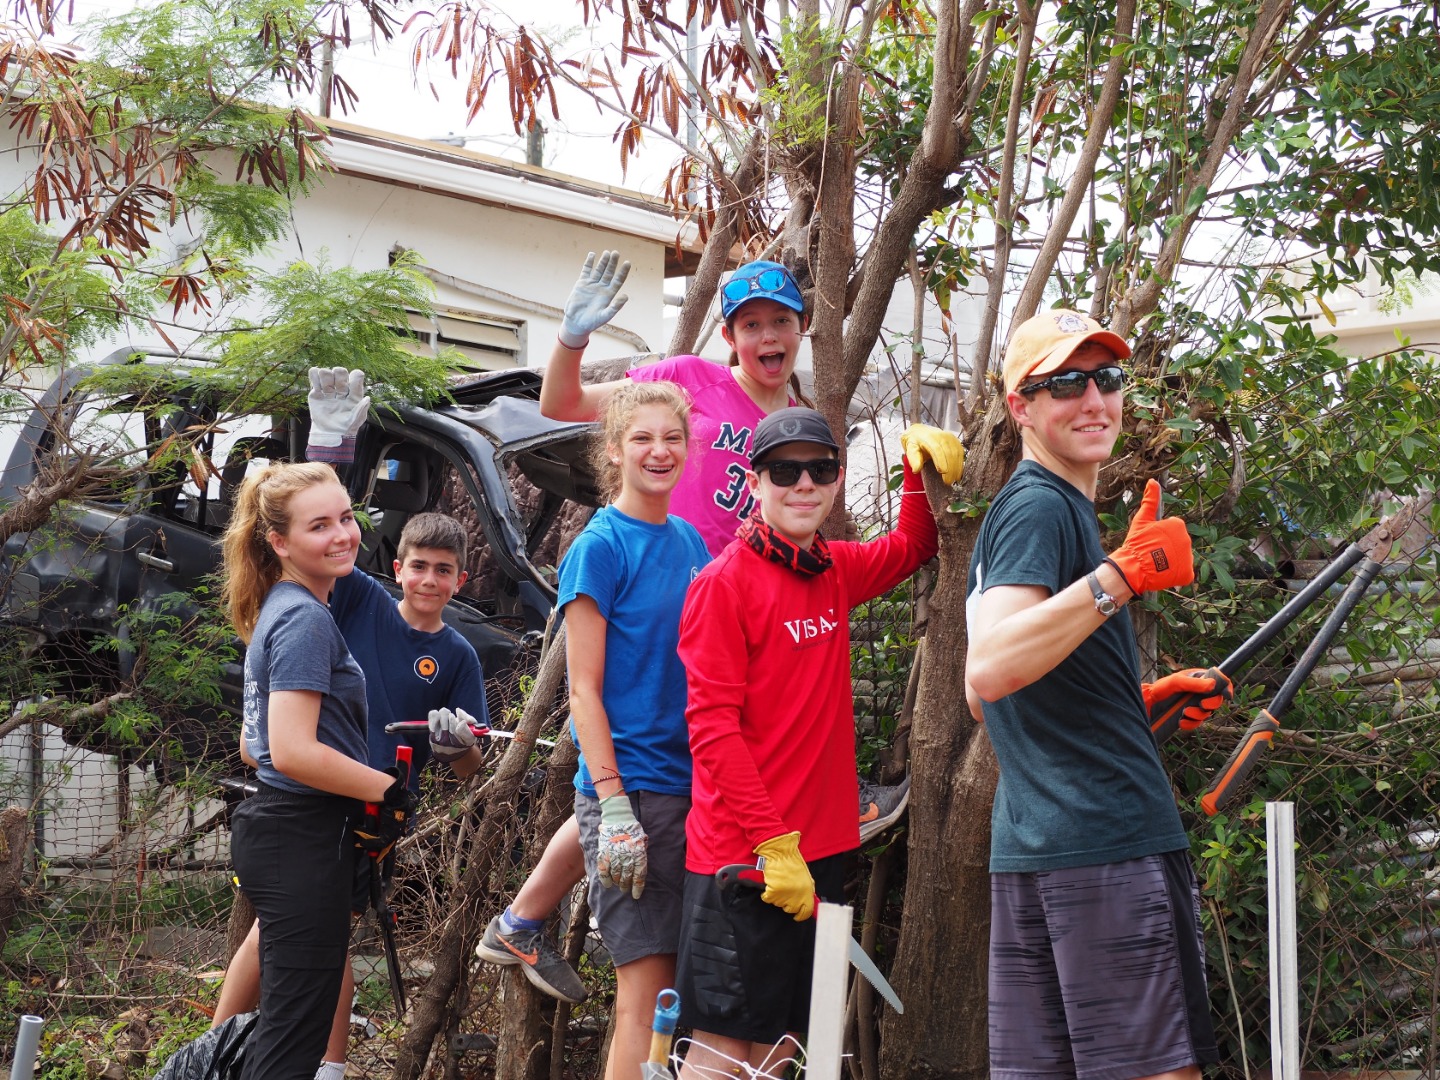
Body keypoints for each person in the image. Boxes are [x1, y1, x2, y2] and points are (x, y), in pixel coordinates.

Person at [477, 254, 913, 1001]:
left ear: (803, 327)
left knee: (699, 759)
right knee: (645, 763)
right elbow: (562, 402)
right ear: (729, 335)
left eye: (781, 321)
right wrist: (572, 337)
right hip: (670, 599)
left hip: (747, 607)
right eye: (750, 324)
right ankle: (525, 915)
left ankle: (525, 918)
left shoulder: (796, 420)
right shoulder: (689, 382)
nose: (767, 336)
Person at [963, 309, 1229, 1080]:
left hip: (1039, 847)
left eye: (1106, 378)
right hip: (1106, 842)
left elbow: (991, 698)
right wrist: (1122, 575)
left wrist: (1131, 703)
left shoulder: (1027, 509)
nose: (1093, 400)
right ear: (1020, 406)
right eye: (1065, 384)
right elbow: (988, 671)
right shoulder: (1041, 506)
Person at [213, 369, 490, 1079]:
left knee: (317, 971)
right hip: (313, 814)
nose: (429, 580)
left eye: (445, 570)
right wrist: (331, 447)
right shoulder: (334, 608)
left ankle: (316, 1067)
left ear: (461, 580)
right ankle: (216, 1056)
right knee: (288, 1016)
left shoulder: (455, 653)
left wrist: (457, 749)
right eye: (418, 566)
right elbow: (283, 746)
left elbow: (471, 763)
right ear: (398, 568)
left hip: (345, 824)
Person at [672, 407, 962, 1075]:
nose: (803, 484)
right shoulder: (722, 586)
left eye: (820, 469)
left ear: (835, 480)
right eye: (783, 471)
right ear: (754, 482)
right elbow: (711, 729)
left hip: (825, 849)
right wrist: (771, 842)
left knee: (787, 1045)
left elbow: (913, 546)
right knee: (722, 1050)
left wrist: (914, 469)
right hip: (743, 859)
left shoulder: (832, 569)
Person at [220, 460, 416, 1080]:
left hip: (287, 834)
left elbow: (253, 746)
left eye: (346, 518)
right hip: (302, 837)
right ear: (279, 542)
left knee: (286, 1033)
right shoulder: (303, 619)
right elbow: (290, 751)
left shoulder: (283, 607)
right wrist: (389, 792)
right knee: (290, 1048)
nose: (342, 535)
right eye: (319, 526)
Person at [558, 380, 710, 1080]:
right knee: (644, 1001)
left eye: (672, 438)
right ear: (614, 451)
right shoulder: (600, 547)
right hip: (632, 798)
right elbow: (582, 691)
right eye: (642, 438)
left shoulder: (691, 541)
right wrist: (613, 806)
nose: (659, 451)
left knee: (678, 1001)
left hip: (692, 791)